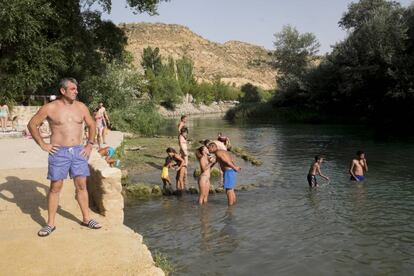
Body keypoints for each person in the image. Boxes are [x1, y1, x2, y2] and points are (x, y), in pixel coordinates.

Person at [27, 77, 101, 237]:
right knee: (55, 187)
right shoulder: (50, 108)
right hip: (59, 152)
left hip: (78, 151)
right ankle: (50, 224)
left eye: (76, 89)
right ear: (63, 91)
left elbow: (92, 124)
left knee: (81, 185)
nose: (76, 91)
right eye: (73, 89)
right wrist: (43, 144)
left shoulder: (81, 107)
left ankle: (87, 219)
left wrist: (89, 144)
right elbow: (32, 124)